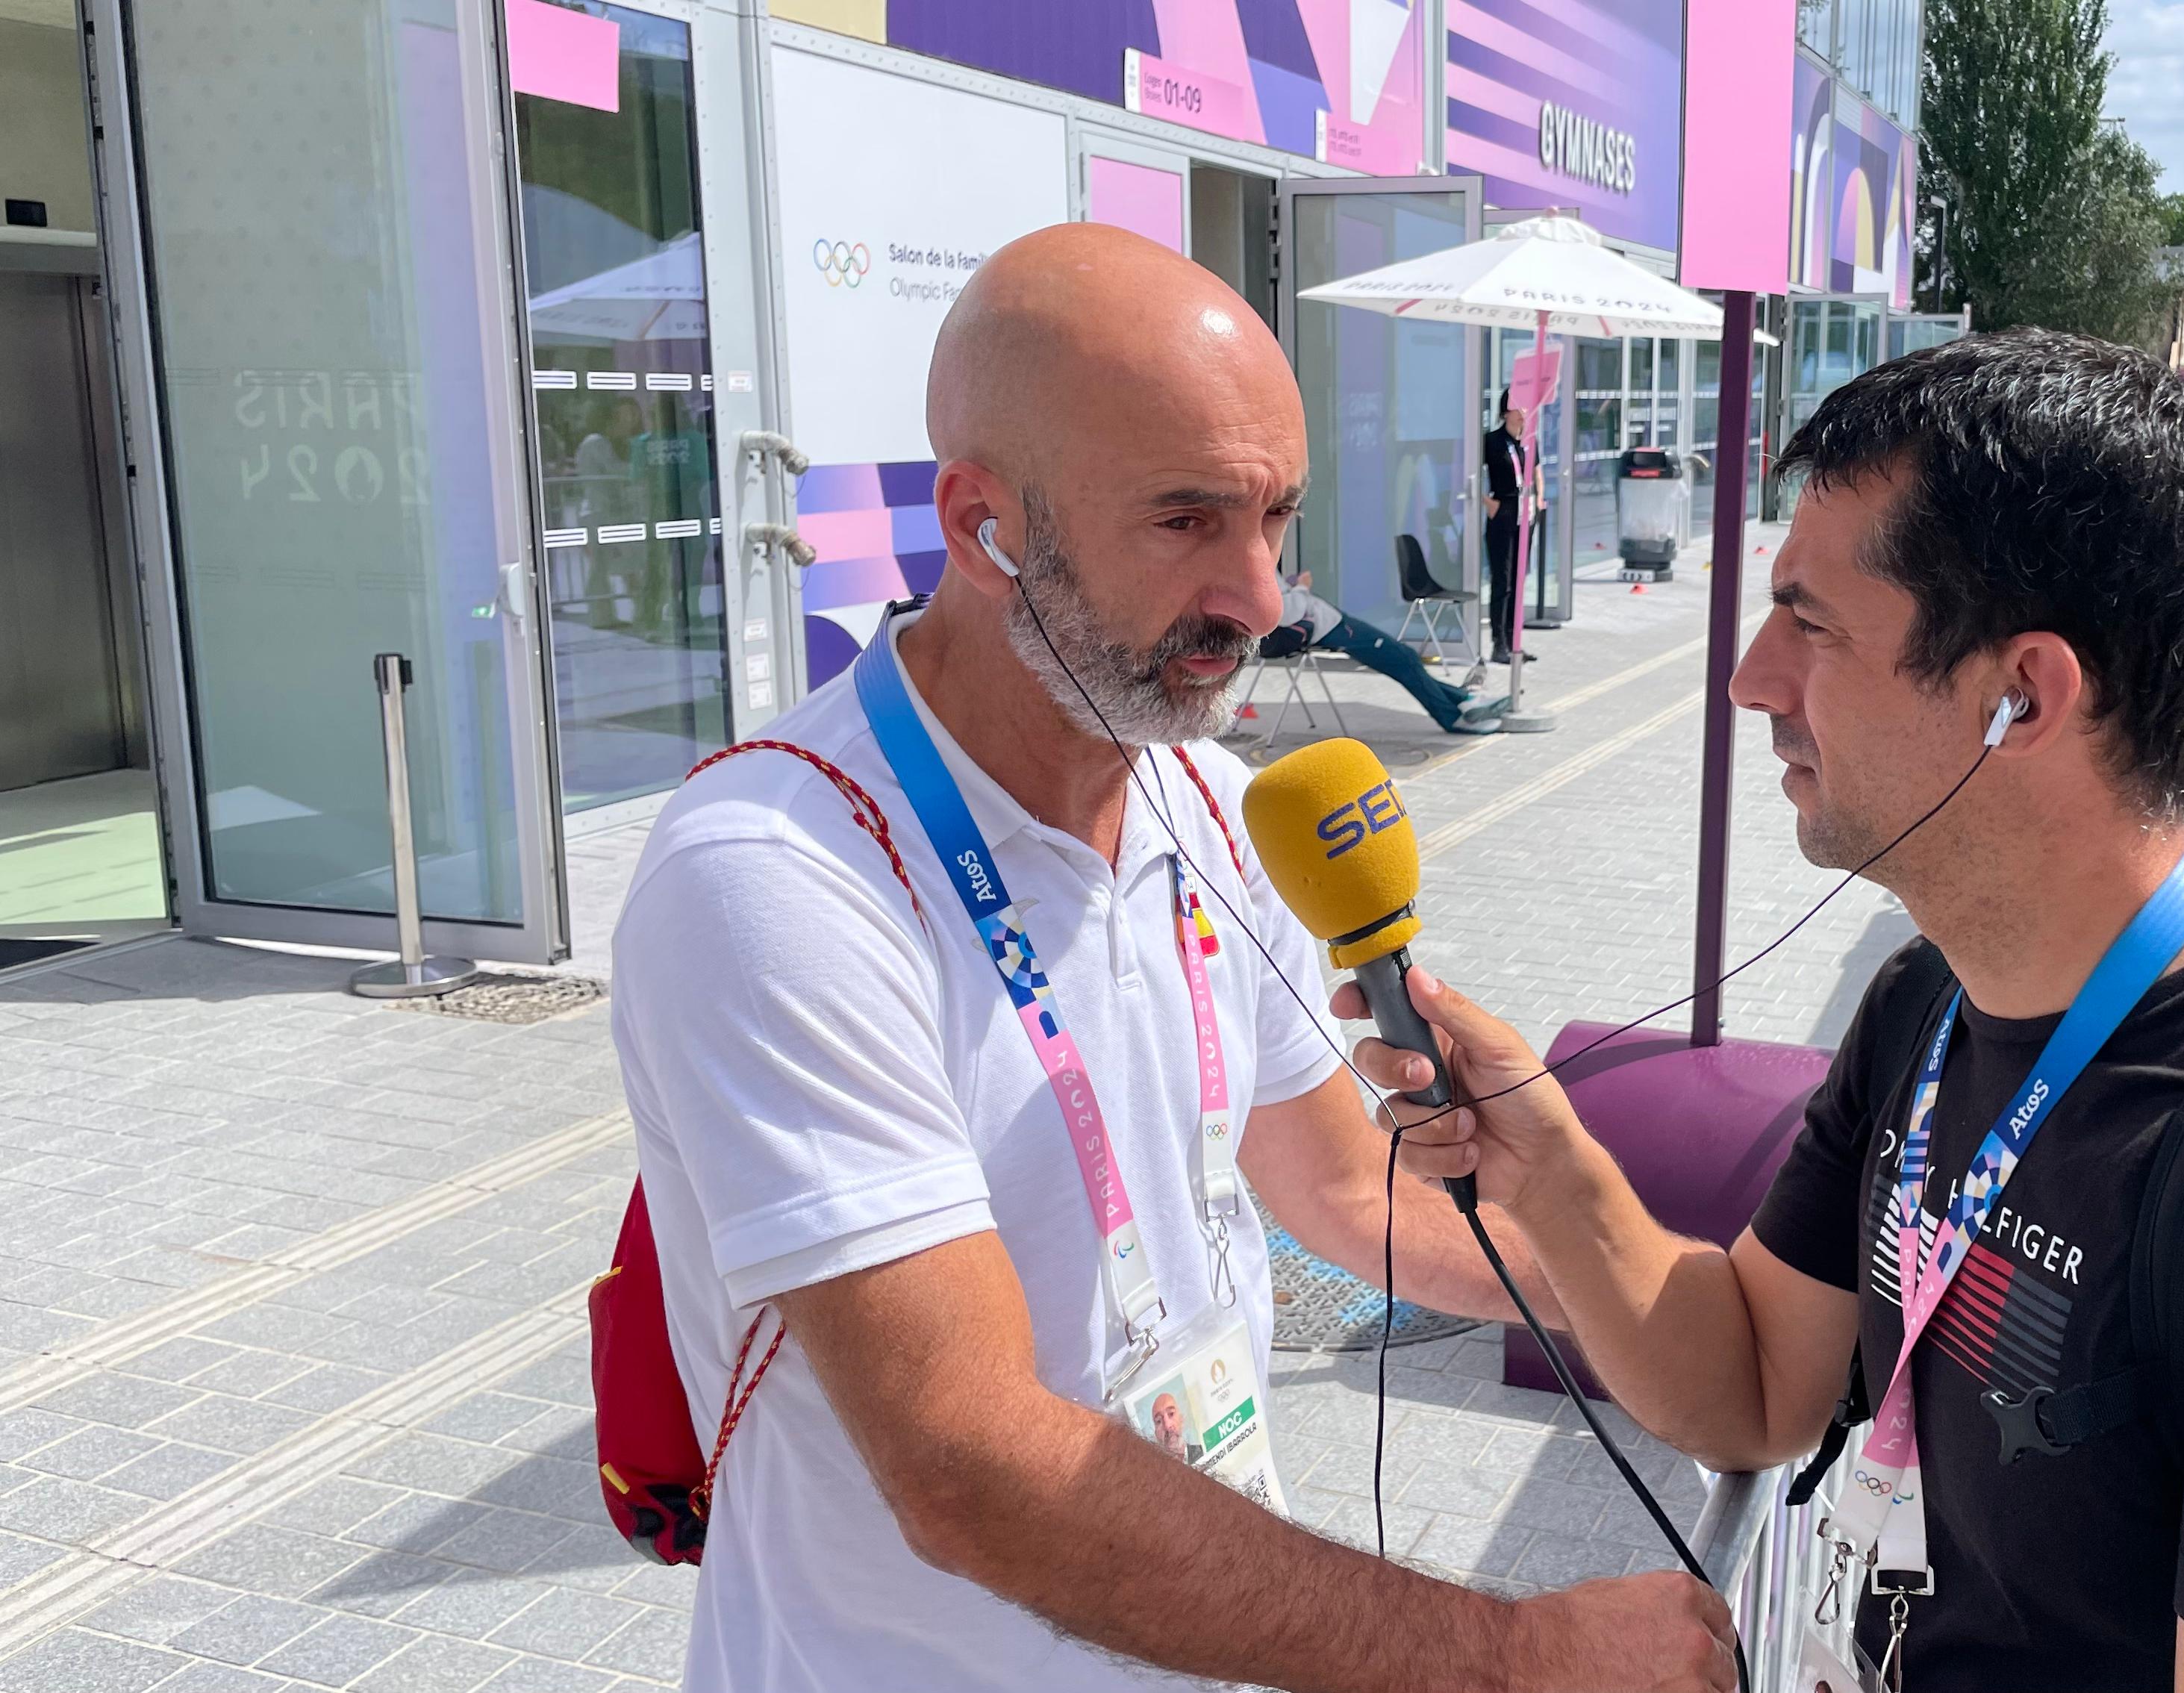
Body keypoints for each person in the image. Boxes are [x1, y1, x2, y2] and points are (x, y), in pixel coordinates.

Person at [1337, 329, 2184, 1693]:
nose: (1750, 679)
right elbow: (1759, 1382)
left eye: (1810, 624)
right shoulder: (1928, 1006)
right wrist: (1554, 1166)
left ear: (2021, 696)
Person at [609, 225, 1735, 1693]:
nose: (1261, 599)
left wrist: (1672, 1317)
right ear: (982, 528)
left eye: (1276, 519)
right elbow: (970, 1466)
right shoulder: (775, 876)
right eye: (1188, 522)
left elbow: (1338, 1187)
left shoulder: (1201, 793)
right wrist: (1508, 1658)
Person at [1264, 569, 1510, 735]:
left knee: (1405, 661)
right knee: (1404, 659)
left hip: (1325, 623)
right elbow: (1285, 611)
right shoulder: (1258, 554)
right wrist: (1302, 588)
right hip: (1326, 627)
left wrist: (1293, 586)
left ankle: (1465, 700)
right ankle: (1452, 718)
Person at [1485, 401, 1535, 667]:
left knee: (1518, 581)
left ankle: (1514, 641)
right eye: (1519, 407)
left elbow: (1535, 470)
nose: (1524, 412)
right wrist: (1486, 501)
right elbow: (1467, 471)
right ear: (1506, 412)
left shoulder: (1526, 442)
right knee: (1502, 582)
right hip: (1503, 514)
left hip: (1524, 518)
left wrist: (1539, 500)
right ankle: (1499, 644)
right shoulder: (1492, 441)